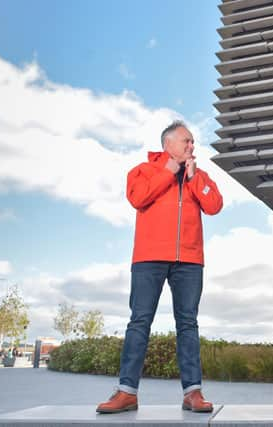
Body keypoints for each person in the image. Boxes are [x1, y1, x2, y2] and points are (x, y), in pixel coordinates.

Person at [97, 120, 223, 414]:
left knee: (188, 325)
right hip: (149, 258)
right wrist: (169, 172)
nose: (192, 146)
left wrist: (192, 178)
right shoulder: (142, 171)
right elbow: (138, 198)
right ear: (168, 144)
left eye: (192, 142)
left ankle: (193, 393)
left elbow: (214, 205)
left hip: (189, 261)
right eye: (186, 141)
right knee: (139, 322)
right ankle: (126, 392)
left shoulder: (200, 176)